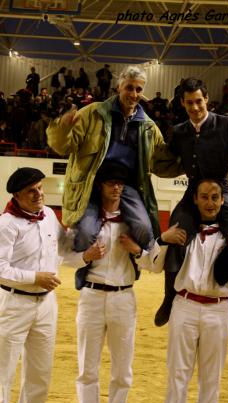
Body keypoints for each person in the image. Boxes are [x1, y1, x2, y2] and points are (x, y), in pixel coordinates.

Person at [124, 179, 228, 403]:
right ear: (194, 199)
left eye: (215, 197)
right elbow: (151, 265)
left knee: (211, 378)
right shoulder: (182, 232)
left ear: (222, 201)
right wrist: (162, 239)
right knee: (177, 375)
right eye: (204, 197)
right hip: (184, 306)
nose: (209, 203)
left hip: (219, 309)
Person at [66, 161, 185, 403]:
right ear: (101, 186)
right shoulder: (86, 221)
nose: (117, 187)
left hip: (123, 297)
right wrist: (86, 256)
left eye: (120, 183)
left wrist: (139, 251)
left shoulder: (133, 224)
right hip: (92, 297)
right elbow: (64, 256)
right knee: (87, 370)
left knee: (122, 371)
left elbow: (154, 266)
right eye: (111, 182)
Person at [151, 77, 228, 328]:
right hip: (193, 191)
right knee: (176, 233)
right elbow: (166, 158)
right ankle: (169, 297)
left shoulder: (227, 123)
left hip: (221, 191)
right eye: (189, 102)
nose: (194, 107)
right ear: (183, 103)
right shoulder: (180, 131)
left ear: (206, 100)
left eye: (198, 101)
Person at [46, 65, 166, 287]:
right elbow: (62, 146)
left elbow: (162, 162)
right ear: (119, 86)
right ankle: (84, 272)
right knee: (84, 232)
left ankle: (135, 264)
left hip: (126, 186)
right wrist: (62, 127)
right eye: (129, 87)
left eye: (139, 89)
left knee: (144, 228)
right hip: (90, 184)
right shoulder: (92, 113)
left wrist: (190, 160)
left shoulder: (148, 127)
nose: (134, 94)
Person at [0, 168, 65, 403]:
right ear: (17, 195)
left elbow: (63, 249)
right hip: (13, 303)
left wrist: (86, 254)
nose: (39, 194)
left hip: (45, 305)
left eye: (40, 187)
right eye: (32, 191)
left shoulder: (49, 215)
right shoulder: (6, 224)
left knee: (39, 374)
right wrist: (34, 277)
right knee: (2, 375)